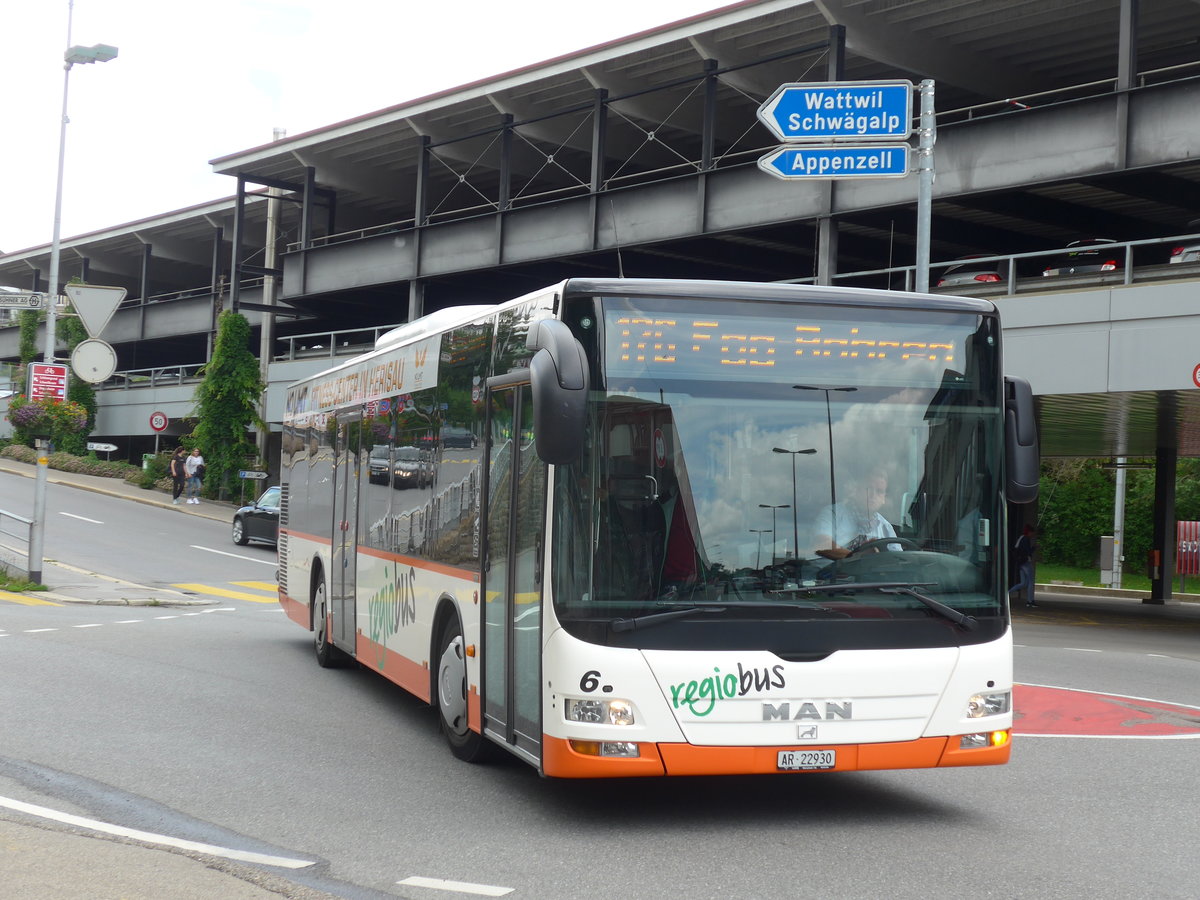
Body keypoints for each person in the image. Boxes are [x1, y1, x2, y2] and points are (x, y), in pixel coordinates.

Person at [811, 467, 899, 560]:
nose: (873, 495)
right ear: (856, 490)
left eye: (879, 491)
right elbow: (821, 544)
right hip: (832, 573)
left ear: (883, 499)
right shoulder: (833, 514)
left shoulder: (886, 527)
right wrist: (858, 557)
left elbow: (898, 560)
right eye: (868, 489)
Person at [1009, 524, 1038, 607]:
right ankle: (1030, 601)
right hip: (1026, 562)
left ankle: (1007, 593)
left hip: (1020, 563)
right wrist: (1034, 548)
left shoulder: (1021, 538)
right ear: (1029, 532)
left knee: (1023, 583)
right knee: (1030, 582)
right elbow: (1028, 551)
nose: (1033, 535)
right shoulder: (1026, 539)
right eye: (1032, 533)